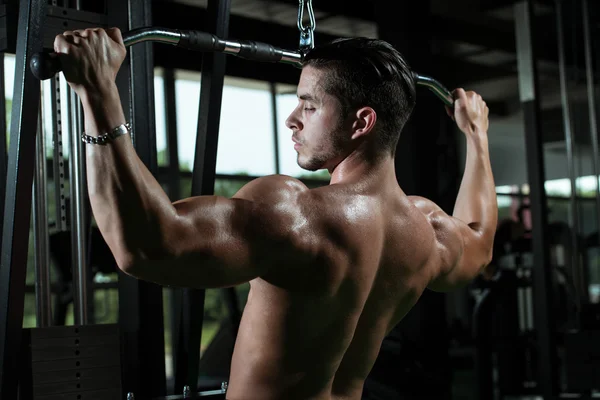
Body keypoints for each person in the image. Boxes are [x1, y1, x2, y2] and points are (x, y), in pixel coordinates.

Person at [54, 27, 497, 400]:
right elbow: (479, 240)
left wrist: (98, 91)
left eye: (309, 105)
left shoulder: (296, 213)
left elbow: (146, 246)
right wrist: (476, 138)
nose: (292, 119)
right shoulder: (426, 229)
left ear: (361, 123)